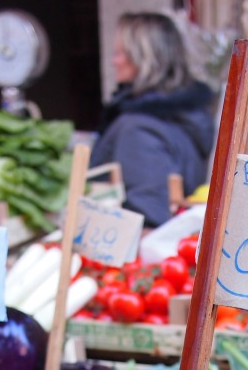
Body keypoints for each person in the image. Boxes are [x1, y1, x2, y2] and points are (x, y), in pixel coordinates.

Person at [90, 12, 216, 229]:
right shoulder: (183, 113)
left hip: (139, 251)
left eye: (120, 53)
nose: (114, 61)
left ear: (144, 58)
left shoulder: (139, 129)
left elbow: (148, 216)